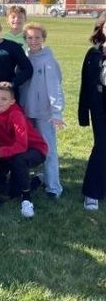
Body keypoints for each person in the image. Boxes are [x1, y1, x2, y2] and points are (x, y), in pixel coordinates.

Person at [0, 81, 48, 217]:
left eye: (4, 99)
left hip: (34, 149)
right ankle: (25, 181)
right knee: (6, 191)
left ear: (12, 101)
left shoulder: (16, 114)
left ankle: (27, 198)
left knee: (19, 161)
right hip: (8, 151)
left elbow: (21, 146)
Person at [20, 23, 64, 198]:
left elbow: (55, 88)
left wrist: (56, 112)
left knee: (48, 149)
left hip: (44, 113)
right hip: (26, 111)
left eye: (37, 37)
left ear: (43, 38)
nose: (34, 41)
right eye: (30, 38)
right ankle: (34, 179)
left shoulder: (48, 60)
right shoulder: (25, 57)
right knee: (28, 149)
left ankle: (54, 187)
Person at [78, 12, 106, 211]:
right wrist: (83, 113)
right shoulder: (94, 54)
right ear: (102, 28)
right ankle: (91, 193)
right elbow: (85, 85)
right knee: (102, 147)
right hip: (100, 109)